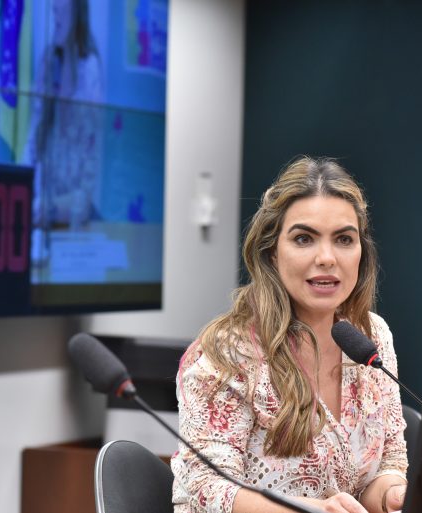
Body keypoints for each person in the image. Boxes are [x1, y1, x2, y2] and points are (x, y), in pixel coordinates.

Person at [171, 156, 408, 513]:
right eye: (304, 239)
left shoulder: (372, 336)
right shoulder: (226, 354)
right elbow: (207, 490)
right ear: (271, 252)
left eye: (344, 239)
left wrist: (395, 495)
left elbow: (389, 463)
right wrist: (310, 510)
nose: (327, 257)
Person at [26, 0, 103, 269]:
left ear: (77, 8)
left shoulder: (90, 69)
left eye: (62, 4)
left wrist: (57, 209)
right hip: (41, 213)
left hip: (74, 219)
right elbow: (33, 141)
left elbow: (91, 167)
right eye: (53, 5)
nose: (55, 10)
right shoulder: (48, 62)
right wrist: (31, 199)